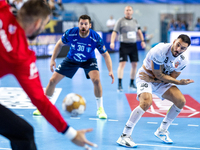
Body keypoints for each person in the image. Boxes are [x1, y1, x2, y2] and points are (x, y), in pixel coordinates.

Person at [0, 1, 97, 150]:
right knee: (24, 134)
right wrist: (71, 133)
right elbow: (41, 101)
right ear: (38, 23)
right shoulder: (20, 56)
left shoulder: (2, 8)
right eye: (44, 24)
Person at [116, 34, 194, 148]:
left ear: (186, 49)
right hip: (145, 77)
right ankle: (124, 136)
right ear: (174, 41)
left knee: (181, 101)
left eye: (183, 48)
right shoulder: (160, 50)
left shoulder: (183, 61)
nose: (178, 49)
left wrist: (164, 80)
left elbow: (170, 77)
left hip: (158, 81)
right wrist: (179, 83)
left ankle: (162, 131)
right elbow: (159, 74)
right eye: (178, 45)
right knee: (146, 102)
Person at [33, 15, 114, 119]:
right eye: (81, 24)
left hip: (88, 60)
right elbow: (59, 44)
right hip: (71, 59)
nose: (83, 26)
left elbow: (106, 55)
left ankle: (100, 109)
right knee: (52, 80)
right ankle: (42, 107)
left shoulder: (95, 37)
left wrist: (110, 70)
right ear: (78, 24)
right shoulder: (71, 33)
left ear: (90, 25)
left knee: (96, 80)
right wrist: (53, 59)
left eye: (85, 24)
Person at [110, 5, 146, 92]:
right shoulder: (120, 21)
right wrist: (112, 42)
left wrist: (142, 40)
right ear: (124, 12)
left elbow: (139, 31)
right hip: (124, 45)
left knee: (135, 65)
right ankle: (119, 84)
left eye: (130, 10)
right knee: (122, 64)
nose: (128, 11)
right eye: (126, 10)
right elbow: (114, 32)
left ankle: (131, 83)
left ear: (132, 12)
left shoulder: (135, 21)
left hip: (133, 45)